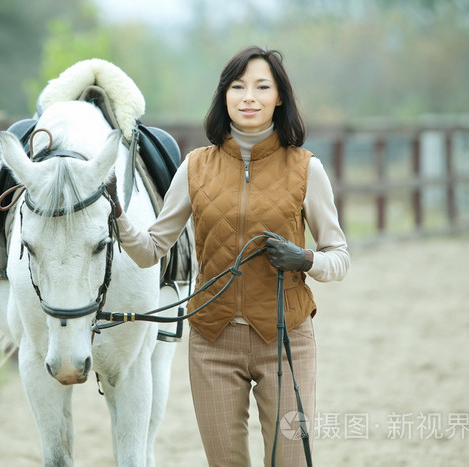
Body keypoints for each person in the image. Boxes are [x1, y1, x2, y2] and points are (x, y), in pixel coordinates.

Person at [114, 46, 350, 466]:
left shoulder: (306, 168)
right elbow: (151, 251)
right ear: (224, 95)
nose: (249, 97)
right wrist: (115, 216)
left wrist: (306, 259)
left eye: (262, 87)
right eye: (238, 86)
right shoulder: (194, 167)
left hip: (286, 337)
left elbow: (339, 257)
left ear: (280, 97)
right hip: (212, 340)